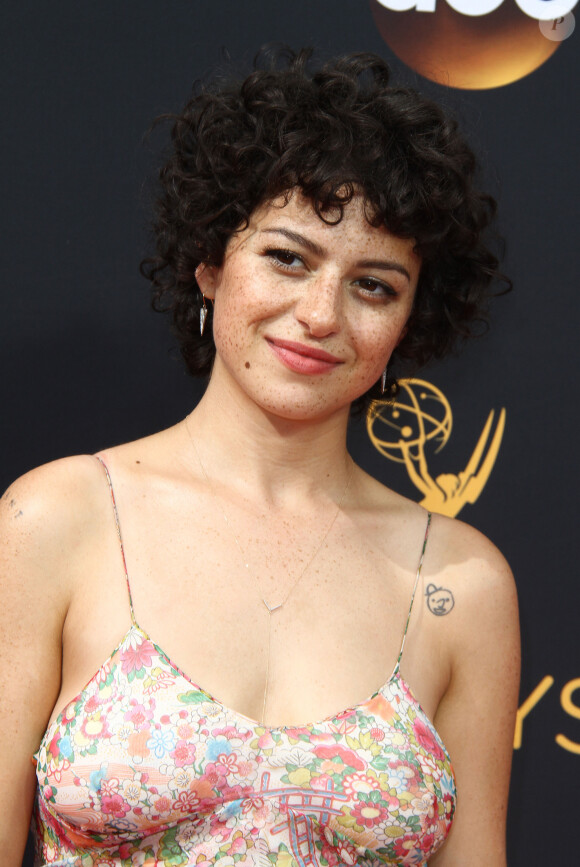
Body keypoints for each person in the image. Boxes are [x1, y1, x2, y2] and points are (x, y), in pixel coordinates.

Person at [1, 49, 520, 866]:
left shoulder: (460, 583)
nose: (320, 313)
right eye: (288, 258)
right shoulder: (55, 520)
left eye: (374, 285)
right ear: (210, 265)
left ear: (409, 325)